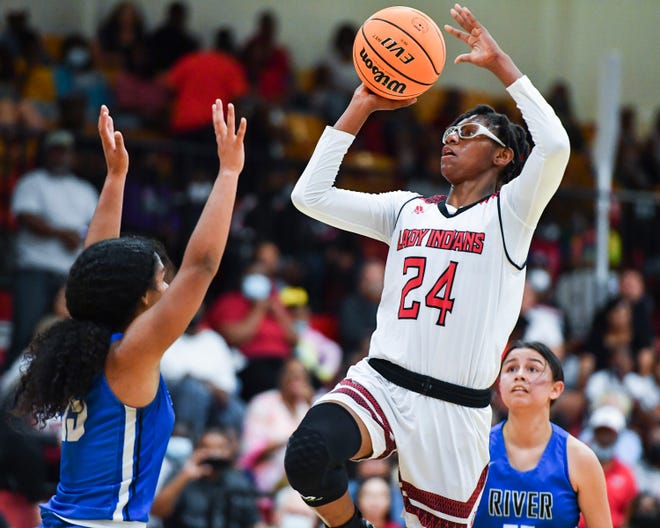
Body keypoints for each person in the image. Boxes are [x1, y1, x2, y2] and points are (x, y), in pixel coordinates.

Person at [284, 4, 571, 527]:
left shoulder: (509, 216)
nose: (451, 138)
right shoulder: (405, 209)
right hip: (381, 383)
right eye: (449, 131)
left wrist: (502, 64)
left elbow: (554, 146)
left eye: (469, 133)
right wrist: (360, 105)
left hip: (456, 412)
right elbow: (310, 196)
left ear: (504, 157)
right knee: (308, 452)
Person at [12, 99, 246, 527]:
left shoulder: (88, 338)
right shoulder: (130, 354)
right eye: (161, 280)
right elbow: (202, 266)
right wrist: (229, 173)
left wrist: (116, 177)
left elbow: (94, 262)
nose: (169, 287)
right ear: (138, 297)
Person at [474, 341, 611, 527]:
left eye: (532, 369)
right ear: (499, 385)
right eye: (511, 369)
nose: (520, 375)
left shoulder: (580, 458)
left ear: (556, 389)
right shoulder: (476, 448)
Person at [3, 129, 98, 376]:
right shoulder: (32, 182)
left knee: (67, 339)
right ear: (46, 153)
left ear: (73, 156)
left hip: (70, 274)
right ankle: (8, 397)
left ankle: (47, 398)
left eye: (64, 151)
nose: (60, 156)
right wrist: (61, 234)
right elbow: (25, 216)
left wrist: (80, 235)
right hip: (34, 268)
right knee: (25, 334)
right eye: (55, 150)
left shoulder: (85, 190)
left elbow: (95, 225)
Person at [151, 426, 263, 528]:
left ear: (229, 452)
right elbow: (157, 511)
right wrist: (184, 477)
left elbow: (253, 521)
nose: (214, 453)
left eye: (220, 449)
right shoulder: (182, 474)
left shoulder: (238, 481)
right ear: (196, 450)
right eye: (207, 448)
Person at [579, 405, 639, 528]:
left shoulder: (625, 473)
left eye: (609, 434)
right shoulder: (576, 467)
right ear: (593, 433)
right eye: (600, 433)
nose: (604, 439)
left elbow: (630, 512)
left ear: (617, 437)